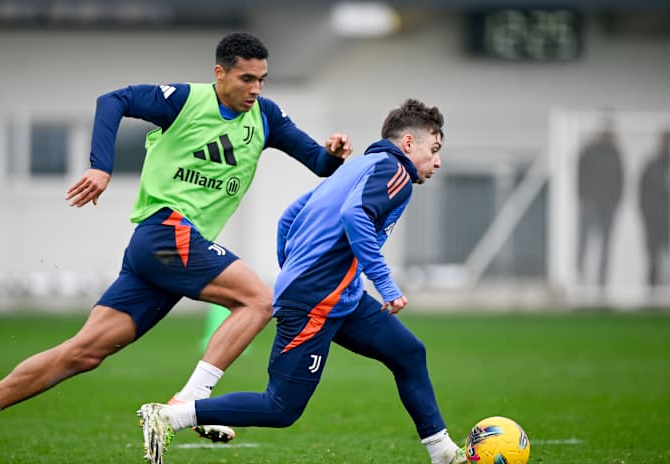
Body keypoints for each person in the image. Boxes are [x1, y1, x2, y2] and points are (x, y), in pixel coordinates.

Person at [0, 31, 352, 464]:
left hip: (160, 254)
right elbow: (112, 100)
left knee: (83, 352)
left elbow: (318, 164)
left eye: (262, 79)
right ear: (219, 73)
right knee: (259, 300)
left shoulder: (265, 117)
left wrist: (333, 154)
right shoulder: (183, 100)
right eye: (247, 79)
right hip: (165, 235)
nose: (256, 89)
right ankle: (189, 403)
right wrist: (101, 167)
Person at [138, 99, 467, 464]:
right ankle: (172, 416)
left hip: (341, 296)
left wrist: (293, 267)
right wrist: (385, 285)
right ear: (408, 143)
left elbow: (290, 215)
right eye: (433, 149)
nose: (437, 161)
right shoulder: (397, 175)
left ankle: (443, 453)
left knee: (408, 353)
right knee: (280, 407)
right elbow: (355, 215)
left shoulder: (356, 166)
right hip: (317, 298)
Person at [577, 120, 624, 287]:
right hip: (591, 205)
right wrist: (583, 198)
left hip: (608, 206)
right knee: (584, 243)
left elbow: (620, 179)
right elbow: (580, 176)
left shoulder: (615, 153)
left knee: (606, 247)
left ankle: (602, 284)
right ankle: (579, 279)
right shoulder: (589, 152)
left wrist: (616, 201)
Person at [638, 129, 670, 287]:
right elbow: (642, 193)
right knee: (653, 258)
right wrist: (646, 215)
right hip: (654, 219)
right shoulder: (652, 165)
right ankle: (652, 294)